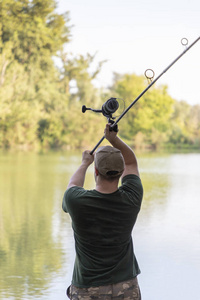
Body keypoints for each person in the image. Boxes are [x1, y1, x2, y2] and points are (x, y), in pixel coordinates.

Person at [62, 123, 143, 300]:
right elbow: (131, 162)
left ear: (96, 171)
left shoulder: (76, 200)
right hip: (126, 286)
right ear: (121, 172)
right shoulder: (132, 197)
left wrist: (84, 163)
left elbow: (73, 185)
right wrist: (114, 140)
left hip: (87, 288)